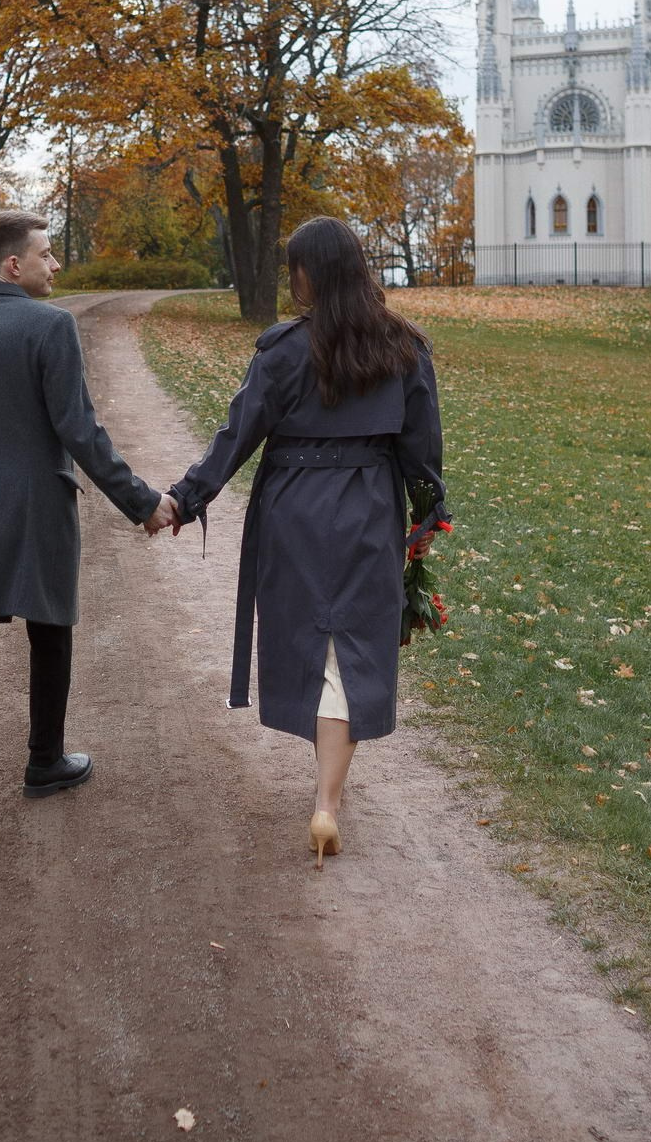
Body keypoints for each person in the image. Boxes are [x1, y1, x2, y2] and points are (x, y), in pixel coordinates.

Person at [166, 217, 447, 866]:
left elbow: (236, 437)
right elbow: (422, 452)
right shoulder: (405, 346)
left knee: (314, 642)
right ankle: (326, 800)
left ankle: (324, 797)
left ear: (309, 273)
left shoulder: (281, 349)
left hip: (293, 508)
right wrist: (426, 522)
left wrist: (185, 498)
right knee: (349, 647)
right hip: (369, 507)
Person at [0, 209, 178, 862]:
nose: (56, 265)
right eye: (47, 254)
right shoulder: (51, 326)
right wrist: (143, 502)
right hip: (34, 515)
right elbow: (80, 431)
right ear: (13, 265)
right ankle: (45, 760)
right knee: (50, 629)